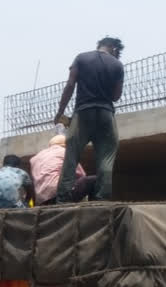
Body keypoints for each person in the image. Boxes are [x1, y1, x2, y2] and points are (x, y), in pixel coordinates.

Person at [54, 36, 125, 203]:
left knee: (71, 156)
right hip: (106, 114)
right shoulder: (117, 65)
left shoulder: (81, 58)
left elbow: (70, 85)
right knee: (106, 158)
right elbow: (116, 96)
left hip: (83, 112)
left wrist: (60, 112)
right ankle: (102, 198)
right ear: (113, 49)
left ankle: (63, 199)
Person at [29, 135, 86, 205]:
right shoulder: (65, 151)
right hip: (59, 194)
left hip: (41, 199)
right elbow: (81, 175)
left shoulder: (34, 158)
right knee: (91, 180)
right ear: (65, 144)